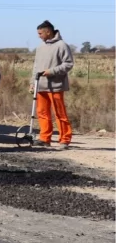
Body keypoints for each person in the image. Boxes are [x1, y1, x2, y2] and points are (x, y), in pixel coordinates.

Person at [30, 20, 74, 149]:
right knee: (42, 113)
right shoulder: (40, 47)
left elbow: (68, 64)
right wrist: (32, 83)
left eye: (40, 33)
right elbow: (36, 67)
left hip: (56, 85)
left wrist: (51, 71)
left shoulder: (62, 45)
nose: (39, 36)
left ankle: (64, 139)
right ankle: (45, 138)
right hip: (40, 85)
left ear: (48, 31)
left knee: (59, 113)